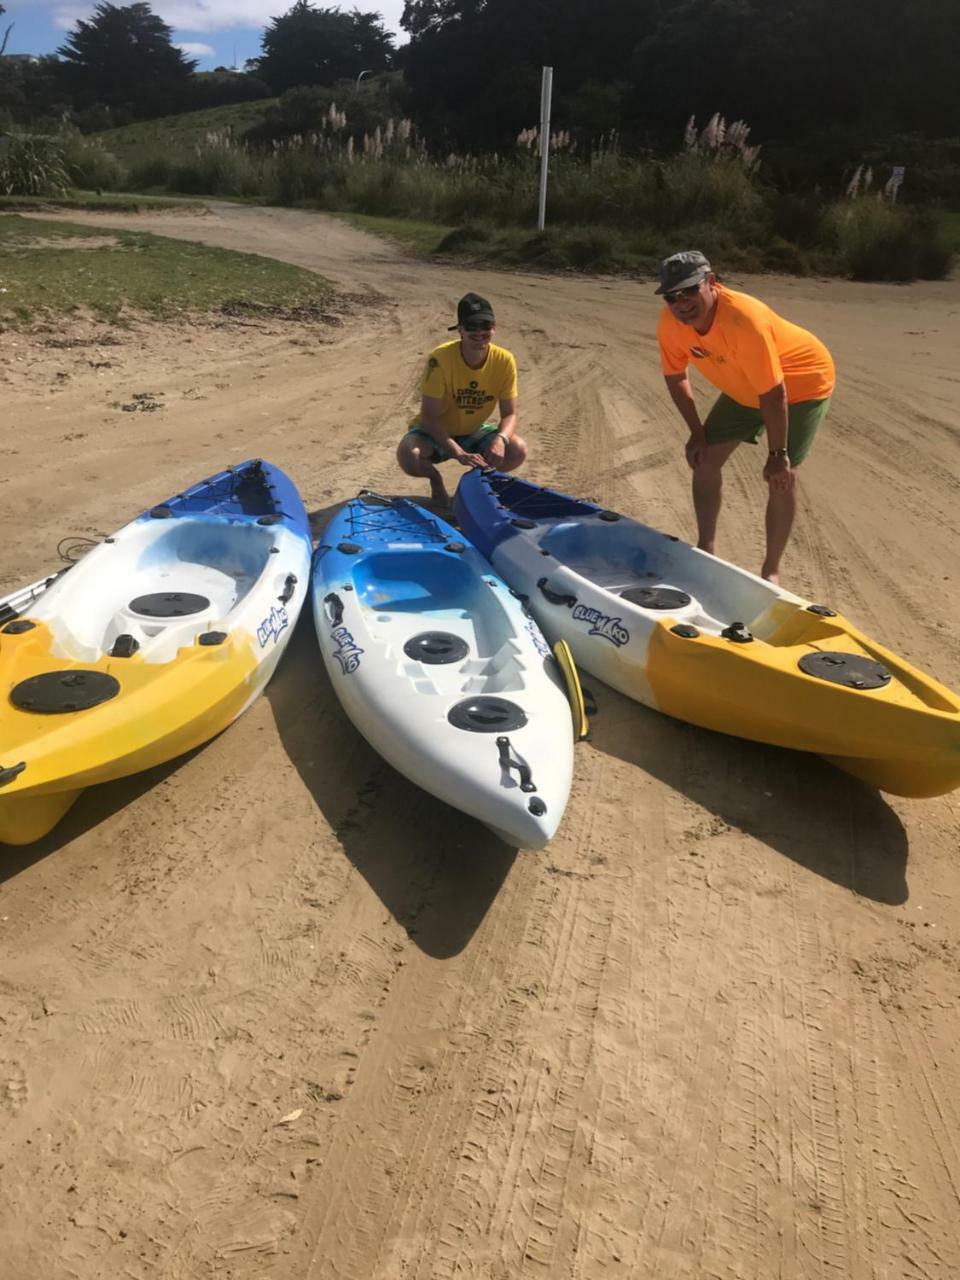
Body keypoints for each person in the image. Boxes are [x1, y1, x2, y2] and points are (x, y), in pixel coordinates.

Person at [656, 250, 835, 583]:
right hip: (746, 388)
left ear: (711, 283)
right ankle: (705, 549)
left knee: (782, 476)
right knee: (704, 458)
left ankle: (771, 571)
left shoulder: (743, 320)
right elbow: (675, 375)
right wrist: (697, 432)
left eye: (689, 290)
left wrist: (778, 454)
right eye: (671, 296)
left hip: (801, 384)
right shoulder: (671, 323)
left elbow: (774, 394)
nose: (681, 303)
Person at [397, 292, 527, 506]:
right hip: (437, 431)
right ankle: (435, 480)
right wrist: (457, 453)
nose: (479, 332)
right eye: (471, 326)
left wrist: (500, 440)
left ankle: (472, 485)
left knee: (517, 449)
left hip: (473, 430)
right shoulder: (439, 359)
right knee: (409, 454)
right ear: (460, 329)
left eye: (485, 325)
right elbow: (430, 417)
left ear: (493, 327)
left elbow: (510, 414)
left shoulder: (505, 360)